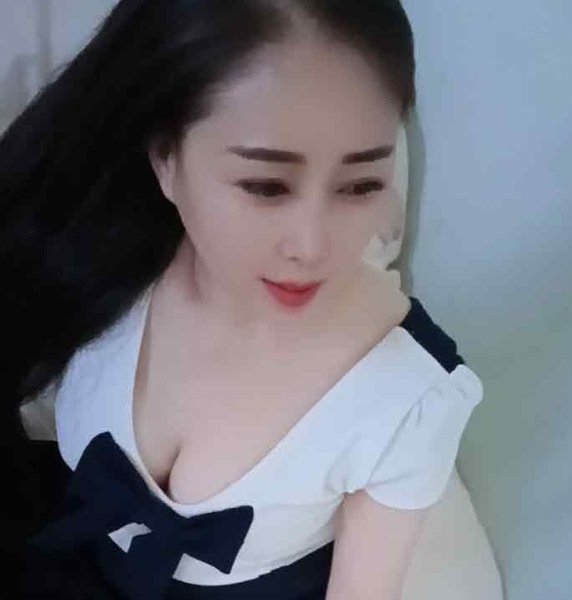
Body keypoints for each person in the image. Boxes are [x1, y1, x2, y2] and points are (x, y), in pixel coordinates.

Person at [0, 0, 484, 597]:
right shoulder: (100, 257)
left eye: (361, 185)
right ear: (166, 159)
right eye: (265, 186)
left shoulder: (406, 395)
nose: (312, 247)